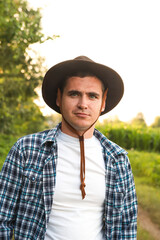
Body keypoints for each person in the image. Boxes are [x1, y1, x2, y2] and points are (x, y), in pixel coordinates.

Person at [0, 56, 138, 239]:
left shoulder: (118, 159)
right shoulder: (26, 150)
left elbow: (126, 226)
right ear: (59, 98)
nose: (83, 104)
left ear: (103, 102)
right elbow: (2, 217)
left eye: (92, 96)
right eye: (74, 94)